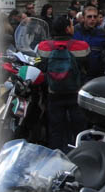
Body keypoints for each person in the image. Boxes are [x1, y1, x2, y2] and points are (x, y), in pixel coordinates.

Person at [37, 16, 90, 153]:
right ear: (67, 29)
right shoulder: (82, 46)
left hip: (53, 93)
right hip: (75, 94)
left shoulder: (44, 47)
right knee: (79, 129)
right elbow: (90, 66)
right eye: (71, 25)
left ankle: (55, 157)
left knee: (55, 129)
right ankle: (81, 156)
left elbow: (40, 65)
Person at [73, 6, 105, 79]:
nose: (92, 19)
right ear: (83, 18)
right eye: (89, 17)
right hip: (78, 77)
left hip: (97, 77)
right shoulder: (74, 32)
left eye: (95, 16)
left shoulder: (104, 34)